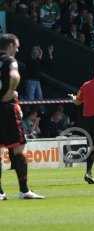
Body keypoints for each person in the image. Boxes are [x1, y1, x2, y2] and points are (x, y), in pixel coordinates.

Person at [0, 34, 44, 200]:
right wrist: (11, 91)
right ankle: (24, 190)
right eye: (16, 46)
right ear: (10, 45)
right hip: (8, 108)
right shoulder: (10, 61)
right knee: (18, 149)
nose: (17, 50)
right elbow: (15, 76)